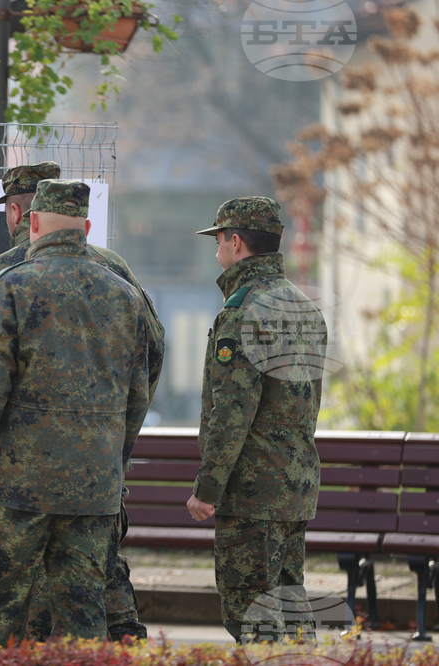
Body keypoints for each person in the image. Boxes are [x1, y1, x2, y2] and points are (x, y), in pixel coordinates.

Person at [0, 162, 165, 642]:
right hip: (94, 483)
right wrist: (114, 454)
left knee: (1, 610)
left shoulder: (8, 282)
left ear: (29, 222)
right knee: (85, 615)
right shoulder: (123, 289)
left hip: (17, 484)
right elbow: (140, 383)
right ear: (86, 228)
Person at [186, 196, 324, 643]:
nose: (217, 252)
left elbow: (231, 412)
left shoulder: (242, 311)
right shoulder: (305, 308)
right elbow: (309, 401)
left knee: (251, 614)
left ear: (237, 242)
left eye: (220, 241)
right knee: (290, 604)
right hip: (294, 484)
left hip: (251, 493)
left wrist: (208, 489)